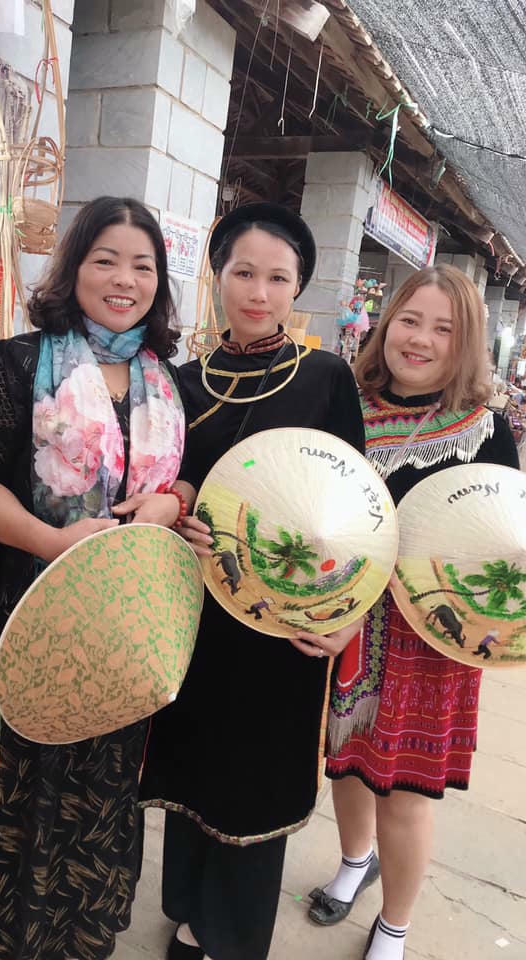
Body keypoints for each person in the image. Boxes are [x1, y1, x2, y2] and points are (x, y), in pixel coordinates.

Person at [0, 196, 187, 960]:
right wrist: (52, 542)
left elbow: (184, 484)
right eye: (105, 260)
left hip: (124, 635)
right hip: (30, 613)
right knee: (13, 783)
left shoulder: (166, 380)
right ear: (74, 267)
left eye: (142, 265)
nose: (124, 279)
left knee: (101, 786)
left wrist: (174, 500)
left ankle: (78, 934)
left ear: (159, 281)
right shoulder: (19, 361)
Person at [138, 202, 367, 960]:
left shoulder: (326, 378)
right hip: (193, 610)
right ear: (217, 277)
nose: (258, 293)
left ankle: (229, 935)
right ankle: (187, 906)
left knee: (254, 776)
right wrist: (176, 512)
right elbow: (164, 481)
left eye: (277, 278)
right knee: (194, 764)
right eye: (243, 273)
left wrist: (347, 617)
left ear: (297, 287)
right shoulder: (179, 382)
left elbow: (357, 510)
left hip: (280, 620)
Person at [308, 266, 519, 960]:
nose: (420, 339)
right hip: (346, 623)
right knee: (345, 760)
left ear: (467, 343)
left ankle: (394, 925)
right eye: (409, 320)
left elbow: (499, 543)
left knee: (403, 790)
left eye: (443, 329)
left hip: (432, 637)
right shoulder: (345, 404)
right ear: (385, 323)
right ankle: (354, 860)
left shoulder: (484, 429)